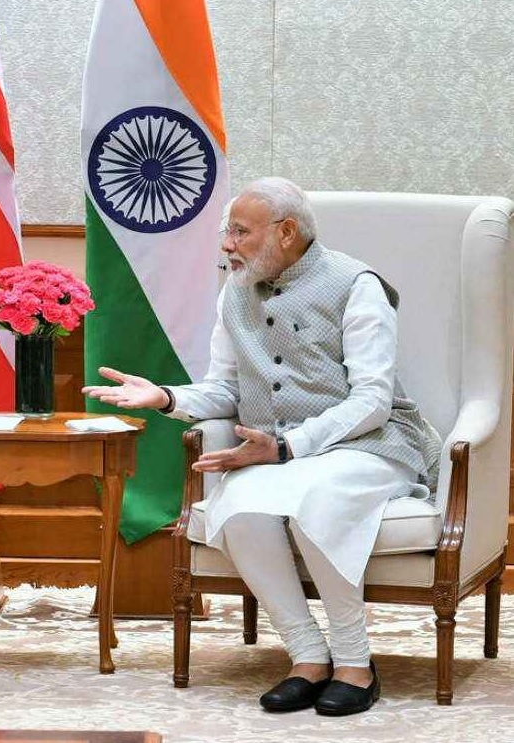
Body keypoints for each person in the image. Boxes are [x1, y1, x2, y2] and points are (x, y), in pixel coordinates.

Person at [84, 177, 440, 716]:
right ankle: (307, 657)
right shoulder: (235, 290)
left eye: (240, 232)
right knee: (240, 507)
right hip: (282, 452)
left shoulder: (356, 285)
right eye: (227, 232)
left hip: (370, 445)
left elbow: (372, 400)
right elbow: (226, 388)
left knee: (320, 499)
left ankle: (355, 664)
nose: (227, 245)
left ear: (286, 232)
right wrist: (167, 397)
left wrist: (287, 447)